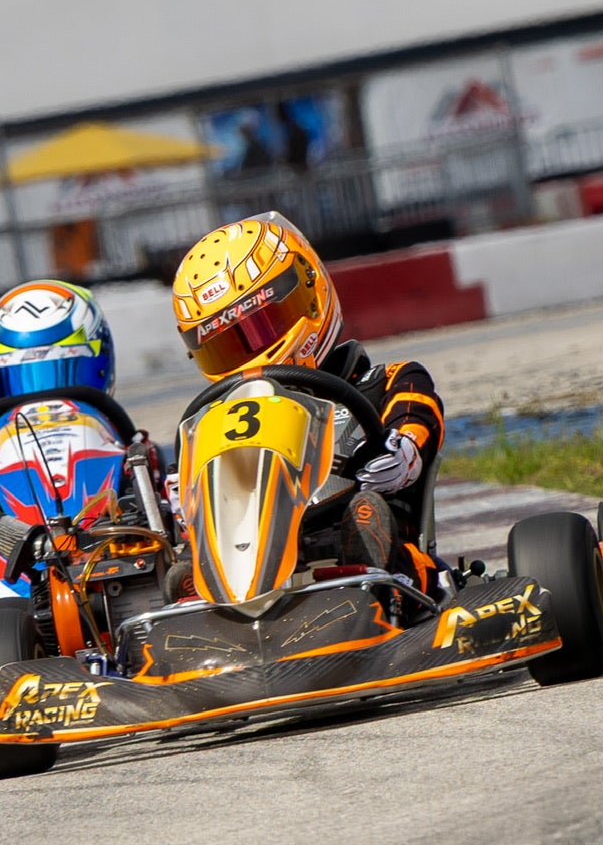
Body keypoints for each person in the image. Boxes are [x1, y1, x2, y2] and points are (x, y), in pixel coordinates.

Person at [169, 211, 445, 588]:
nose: (256, 353)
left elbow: (418, 414)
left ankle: (382, 581)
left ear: (310, 296)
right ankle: (206, 596)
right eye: (230, 345)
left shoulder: (384, 382)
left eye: (264, 325)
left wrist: (405, 448)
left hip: (367, 549)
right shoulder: (215, 421)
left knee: (366, 517)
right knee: (183, 567)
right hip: (259, 561)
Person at [0, 278, 120, 538]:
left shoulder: (119, 443)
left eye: (64, 369)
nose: (46, 394)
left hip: (114, 541)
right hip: (16, 566)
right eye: (20, 376)